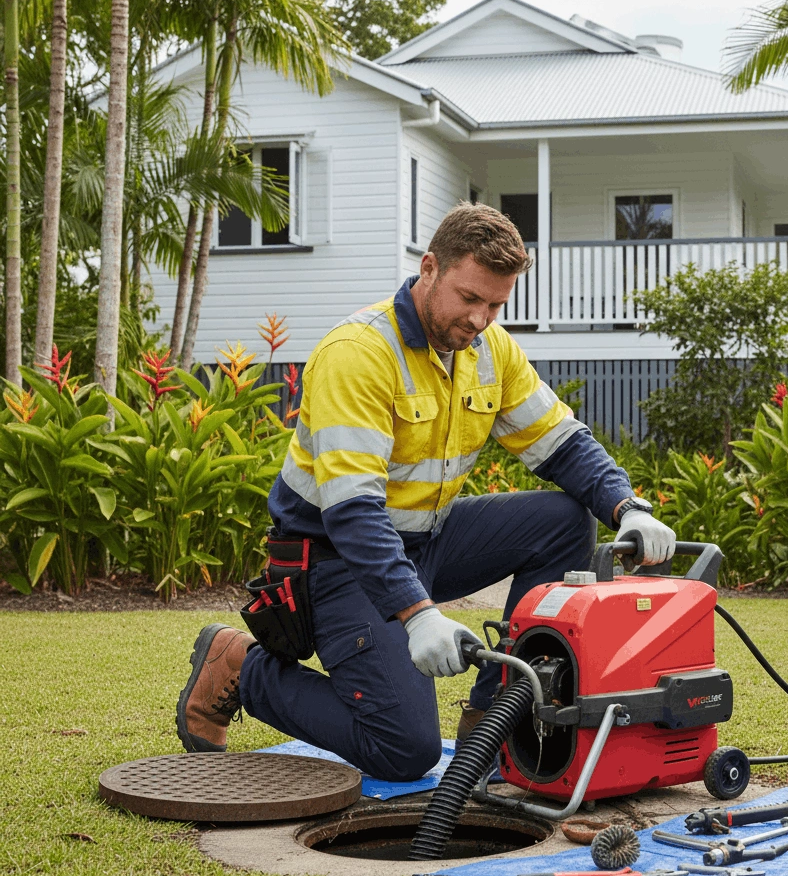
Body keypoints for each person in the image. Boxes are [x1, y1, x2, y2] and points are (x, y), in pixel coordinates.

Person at [176, 202, 676, 779]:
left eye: (496, 305)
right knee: (405, 749)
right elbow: (353, 511)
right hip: (335, 558)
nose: (481, 319)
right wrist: (417, 614)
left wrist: (628, 507)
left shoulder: (490, 350)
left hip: (425, 540)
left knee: (564, 520)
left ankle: (494, 718)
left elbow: (562, 443)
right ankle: (241, 667)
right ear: (430, 268)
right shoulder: (358, 354)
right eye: (470, 298)